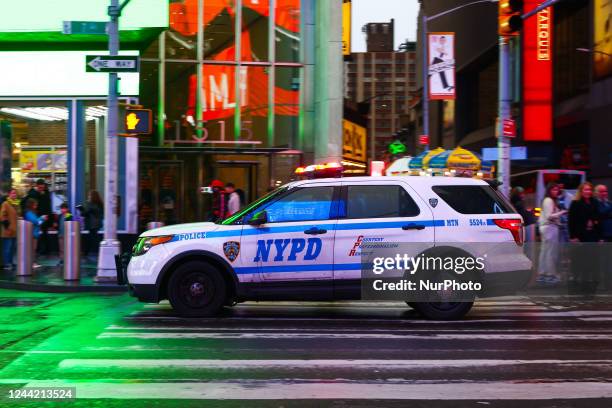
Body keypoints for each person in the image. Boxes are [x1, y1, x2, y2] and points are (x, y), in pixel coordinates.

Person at [569, 182, 603, 295]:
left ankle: (591, 288)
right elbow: (571, 222)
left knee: (593, 263)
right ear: (581, 191)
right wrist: (573, 237)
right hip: (580, 237)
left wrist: (600, 237)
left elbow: (599, 220)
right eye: (585, 190)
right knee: (581, 262)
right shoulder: (575, 203)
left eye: (589, 190)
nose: (588, 192)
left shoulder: (595, 202)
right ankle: (579, 288)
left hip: (593, 236)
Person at [536, 183, 566, 285]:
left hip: (547, 227)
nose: (556, 191)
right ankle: (550, 275)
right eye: (553, 189)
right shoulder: (549, 200)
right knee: (550, 253)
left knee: (545, 252)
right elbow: (549, 216)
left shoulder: (548, 200)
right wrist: (562, 212)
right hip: (549, 228)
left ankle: (543, 274)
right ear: (549, 190)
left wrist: (559, 223)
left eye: (557, 189)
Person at [77, 191, 103, 259]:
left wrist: (81, 209)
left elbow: (85, 213)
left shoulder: (92, 204)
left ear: (92, 196)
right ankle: (86, 252)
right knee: (91, 238)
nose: (88, 197)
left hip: (93, 224)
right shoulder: (98, 204)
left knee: (93, 239)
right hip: (95, 224)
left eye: (89, 195)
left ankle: (89, 252)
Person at [23, 198, 47, 269]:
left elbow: (38, 223)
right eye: (35, 204)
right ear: (31, 205)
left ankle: (33, 262)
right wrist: (42, 218)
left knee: (34, 249)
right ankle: (31, 263)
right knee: (32, 249)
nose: (36, 206)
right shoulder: (28, 213)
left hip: (35, 233)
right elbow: (35, 221)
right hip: (31, 233)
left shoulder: (32, 212)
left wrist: (42, 219)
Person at [1, 189, 19, 270]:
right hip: (7, 231)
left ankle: (11, 262)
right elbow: (2, 215)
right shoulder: (6, 203)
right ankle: (7, 264)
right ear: (9, 194)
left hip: (15, 231)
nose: (14, 194)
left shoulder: (16, 204)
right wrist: (6, 224)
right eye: (13, 193)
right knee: (7, 248)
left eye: (15, 193)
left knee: (12, 248)